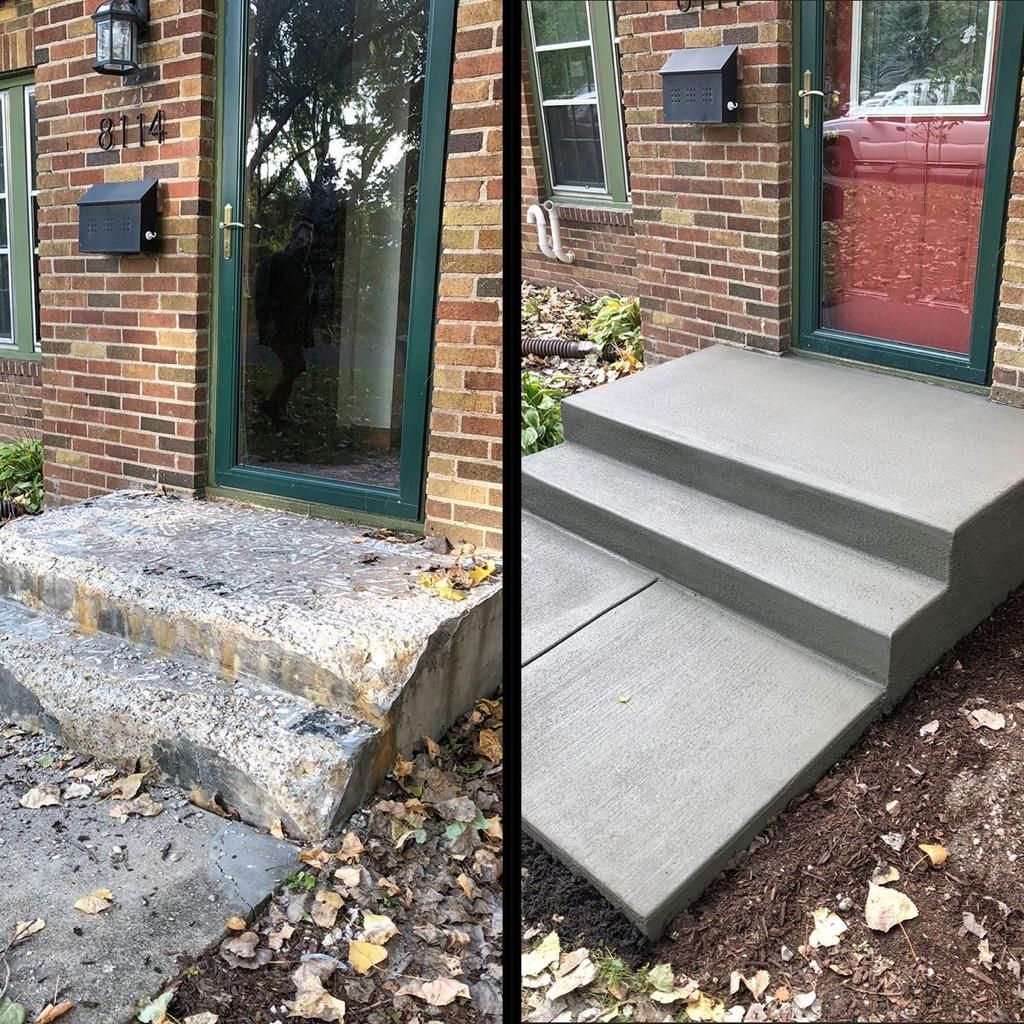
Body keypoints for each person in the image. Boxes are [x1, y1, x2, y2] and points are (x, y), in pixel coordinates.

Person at [252, 221, 316, 423]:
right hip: (279, 326)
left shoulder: (305, 269)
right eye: (300, 238)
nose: (304, 243)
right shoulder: (276, 261)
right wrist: (267, 321)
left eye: (308, 240)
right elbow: (263, 293)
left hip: (296, 328)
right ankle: (271, 405)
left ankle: (277, 408)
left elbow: (308, 300)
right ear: (292, 238)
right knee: (293, 365)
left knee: (294, 368)